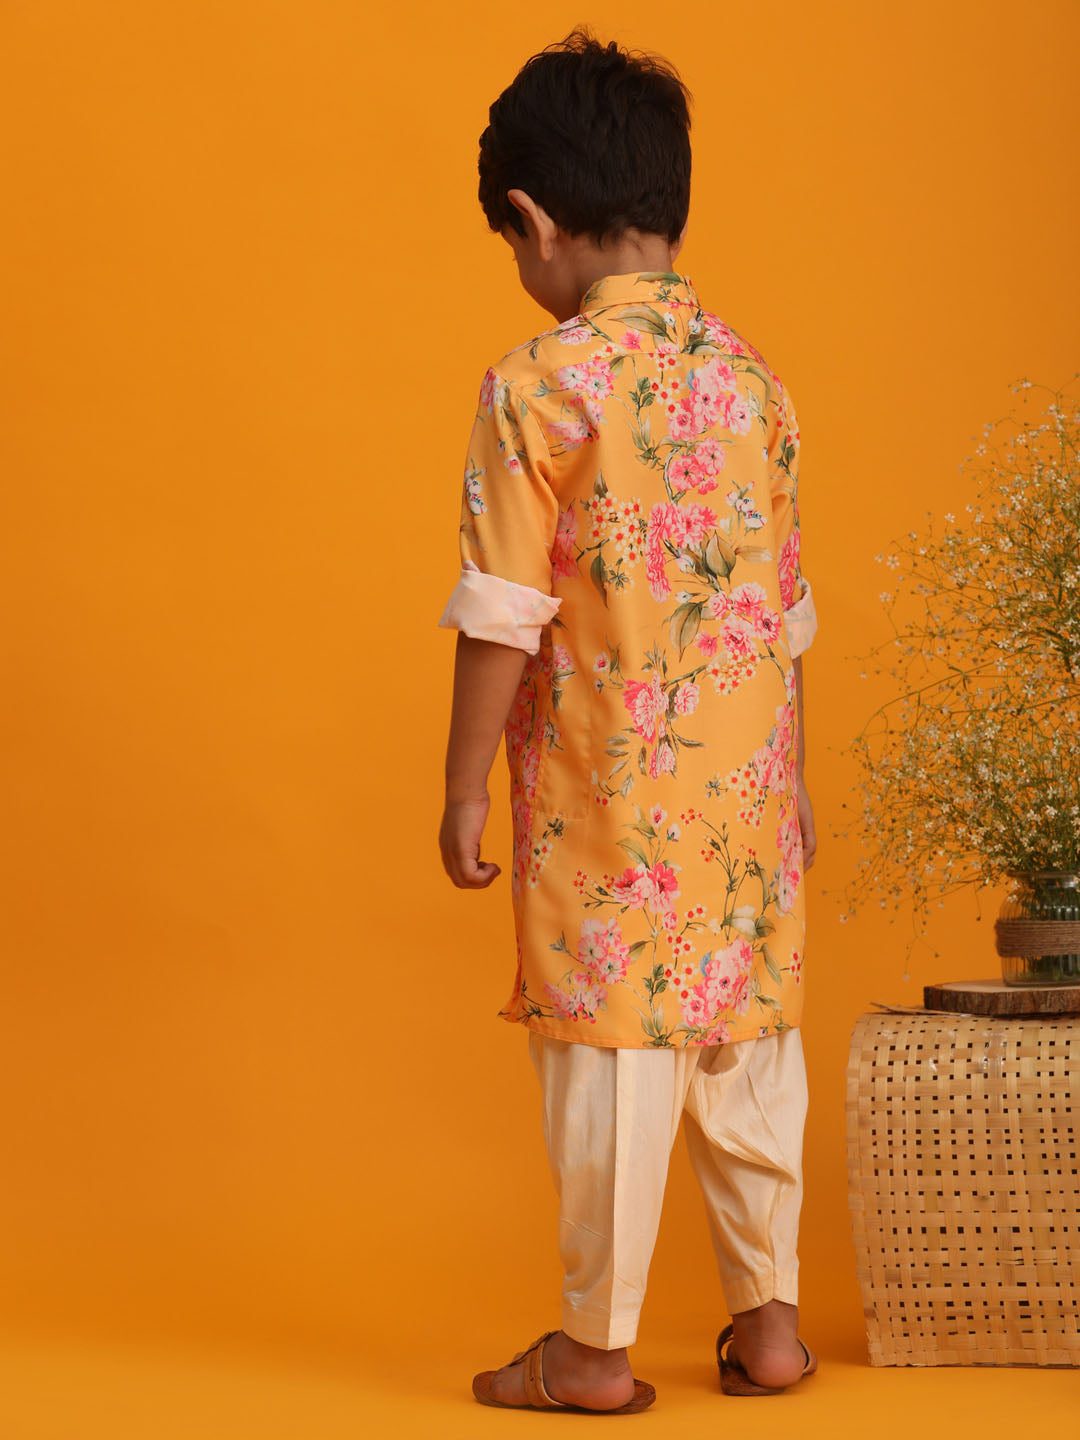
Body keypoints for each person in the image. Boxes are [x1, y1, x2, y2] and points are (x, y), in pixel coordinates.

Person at [437, 26, 820, 1413]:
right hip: (749, 802)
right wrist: (794, 783)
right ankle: (769, 1328)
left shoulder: (538, 386)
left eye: (512, 243)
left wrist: (462, 787)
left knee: (614, 1057)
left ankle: (595, 1351)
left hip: (609, 805)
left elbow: (502, 610)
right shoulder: (757, 385)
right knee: (745, 1050)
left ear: (533, 221)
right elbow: (784, 612)